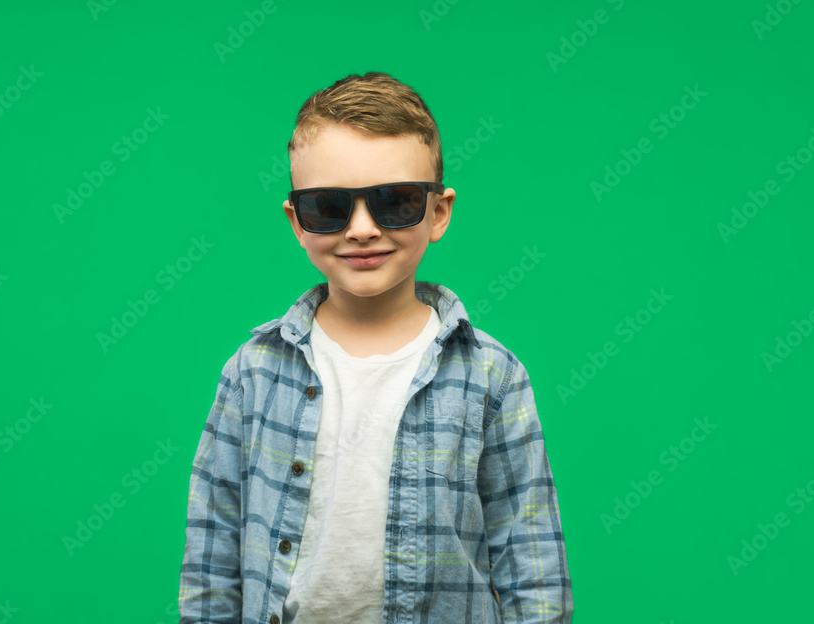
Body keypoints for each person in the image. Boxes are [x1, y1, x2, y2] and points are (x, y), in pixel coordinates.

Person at [179, 71, 573, 624]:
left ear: (438, 212)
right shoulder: (253, 370)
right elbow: (212, 549)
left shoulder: (494, 375)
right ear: (296, 221)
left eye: (395, 201)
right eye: (328, 208)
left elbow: (531, 561)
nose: (362, 229)